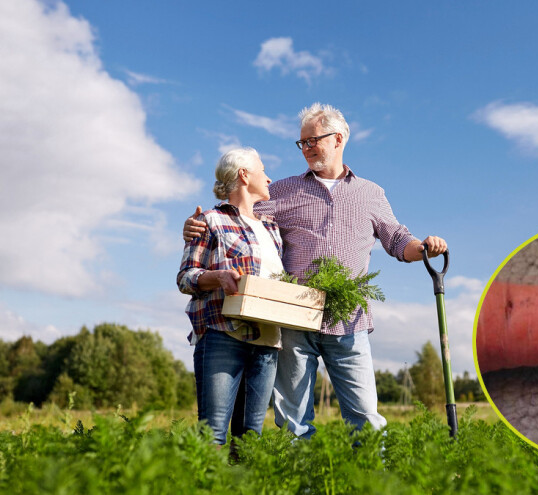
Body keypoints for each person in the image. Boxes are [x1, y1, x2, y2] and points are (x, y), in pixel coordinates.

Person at [183, 103, 447, 439]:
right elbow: (238, 214)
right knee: (293, 422)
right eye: (302, 143)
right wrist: (196, 227)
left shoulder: (370, 193)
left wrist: (423, 248)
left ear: (338, 139)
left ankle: (372, 482)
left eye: (312, 141)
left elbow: (396, 239)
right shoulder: (282, 190)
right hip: (295, 316)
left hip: (349, 318)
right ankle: (301, 485)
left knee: (365, 416)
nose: (306, 149)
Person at [177, 147, 284, 445]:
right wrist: (218, 277)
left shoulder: (273, 228)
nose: (269, 177)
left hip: (267, 341)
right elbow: (185, 277)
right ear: (244, 174)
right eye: (263, 170)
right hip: (223, 334)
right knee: (213, 437)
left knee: (249, 440)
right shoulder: (210, 221)